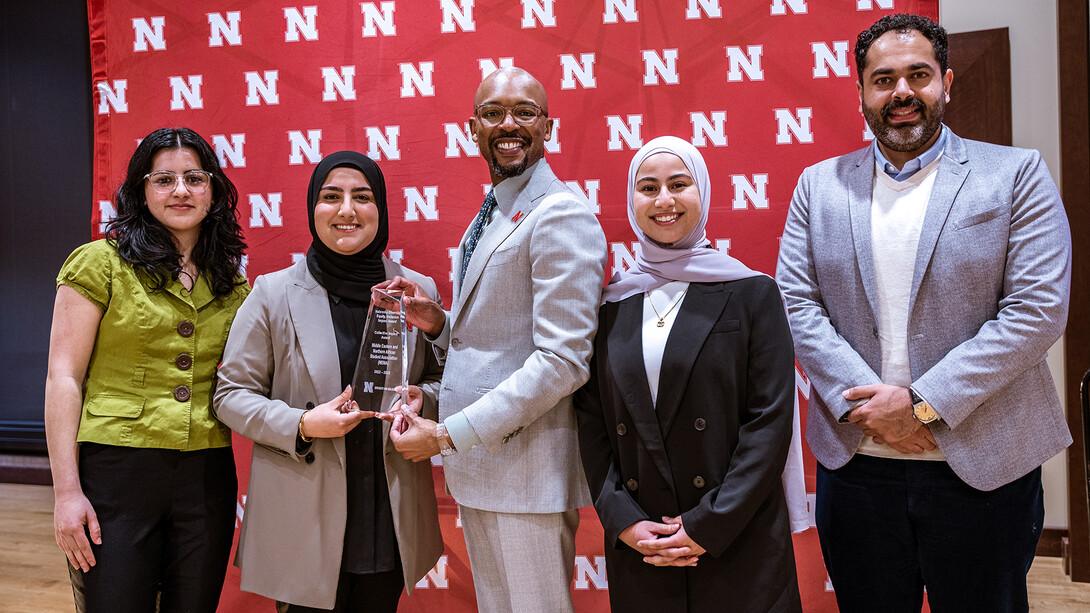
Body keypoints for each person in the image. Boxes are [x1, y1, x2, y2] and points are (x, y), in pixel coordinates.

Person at [775, 13, 1072, 613]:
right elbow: (796, 301)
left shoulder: (1015, 175)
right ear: (860, 92)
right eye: (883, 80)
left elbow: (1037, 309)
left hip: (983, 463)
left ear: (947, 82)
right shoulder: (818, 186)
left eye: (919, 75)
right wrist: (874, 411)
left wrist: (920, 406)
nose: (902, 92)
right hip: (857, 464)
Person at [375, 67, 607, 612]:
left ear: (548, 126)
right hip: (483, 471)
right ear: (472, 126)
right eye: (494, 112)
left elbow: (562, 360)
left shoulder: (560, 213)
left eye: (525, 112)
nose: (510, 124)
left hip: (524, 473)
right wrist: (440, 322)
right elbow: (504, 338)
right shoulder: (499, 205)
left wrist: (448, 434)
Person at [574, 136, 802, 613]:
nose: (663, 200)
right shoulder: (611, 304)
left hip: (736, 540)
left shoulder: (752, 293)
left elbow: (769, 423)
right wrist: (622, 521)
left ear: (704, 192)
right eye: (648, 187)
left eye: (679, 184)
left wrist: (708, 525)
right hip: (646, 545)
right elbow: (592, 421)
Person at [213, 151, 444, 612]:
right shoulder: (272, 293)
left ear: (380, 208)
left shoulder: (417, 291)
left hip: (388, 514)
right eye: (330, 197)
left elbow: (441, 379)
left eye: (362, 197)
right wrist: (301, 423)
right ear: (311, 210)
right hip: (304, 517)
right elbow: (229, 395)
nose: (346, 210)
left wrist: (426, 401)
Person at [44, 127, 249, 612]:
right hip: (115, 472)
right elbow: (63, 378)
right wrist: (66, 492)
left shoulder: (233, 282)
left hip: (207, 475)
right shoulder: (100, 263)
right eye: (164, 180)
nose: (181, 190)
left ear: (214, 191)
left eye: (195, 178)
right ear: (141, 190)